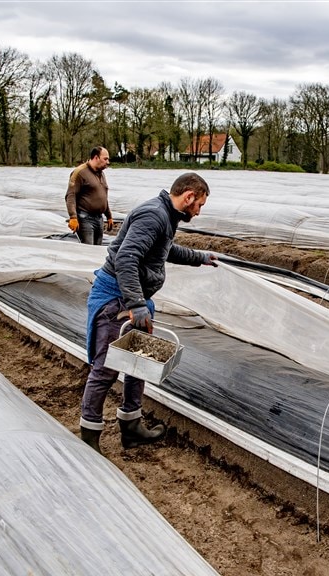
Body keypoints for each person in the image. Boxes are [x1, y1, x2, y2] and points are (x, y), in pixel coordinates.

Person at [79, 172, 219, 452]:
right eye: (199, 205)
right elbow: (126, 258)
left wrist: (199, 258)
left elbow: (163, 250)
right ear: (189, 196)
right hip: (116, 299)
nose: (199, 211)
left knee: (137, 363)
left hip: (132, 298)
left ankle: (131, 427)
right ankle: (89, 438)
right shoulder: (154, 215)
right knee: (105, 368)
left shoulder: (165, 216)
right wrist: (135, 304)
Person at [65, 146, 113, 245]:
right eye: (105, 159)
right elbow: (70, 195)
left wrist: (109, 216)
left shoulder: (101, 174)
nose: (108, 162)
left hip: (99, 219)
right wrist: (73, 217)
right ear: (96, 158)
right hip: (85, 219)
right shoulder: (80, 173)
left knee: (97, 250)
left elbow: (103, 196)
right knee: (88, 250)